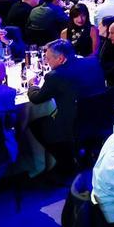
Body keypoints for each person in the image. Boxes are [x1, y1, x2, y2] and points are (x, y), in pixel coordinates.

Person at [26, 39, 107, 169]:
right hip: (100, 117)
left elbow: (36, 98)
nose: (46, 61)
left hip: (73, 123)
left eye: (48, 58)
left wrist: (32, 85)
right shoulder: (92, 62)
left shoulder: (55, 75)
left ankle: (63, 161)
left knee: (33, 123)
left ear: (60, 59)